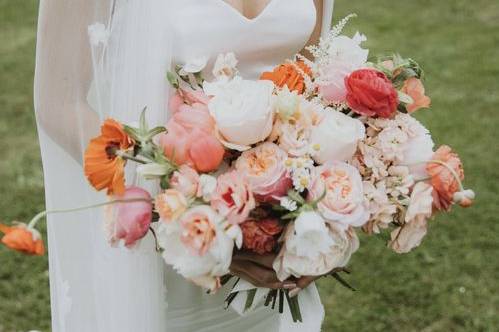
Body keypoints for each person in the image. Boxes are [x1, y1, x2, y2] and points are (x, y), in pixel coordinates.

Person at [34, 1, 334, 331]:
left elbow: (311, 82)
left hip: (276, 241)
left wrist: (313, 212)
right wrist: (187, 208)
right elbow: (59, 102)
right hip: (166, 245)